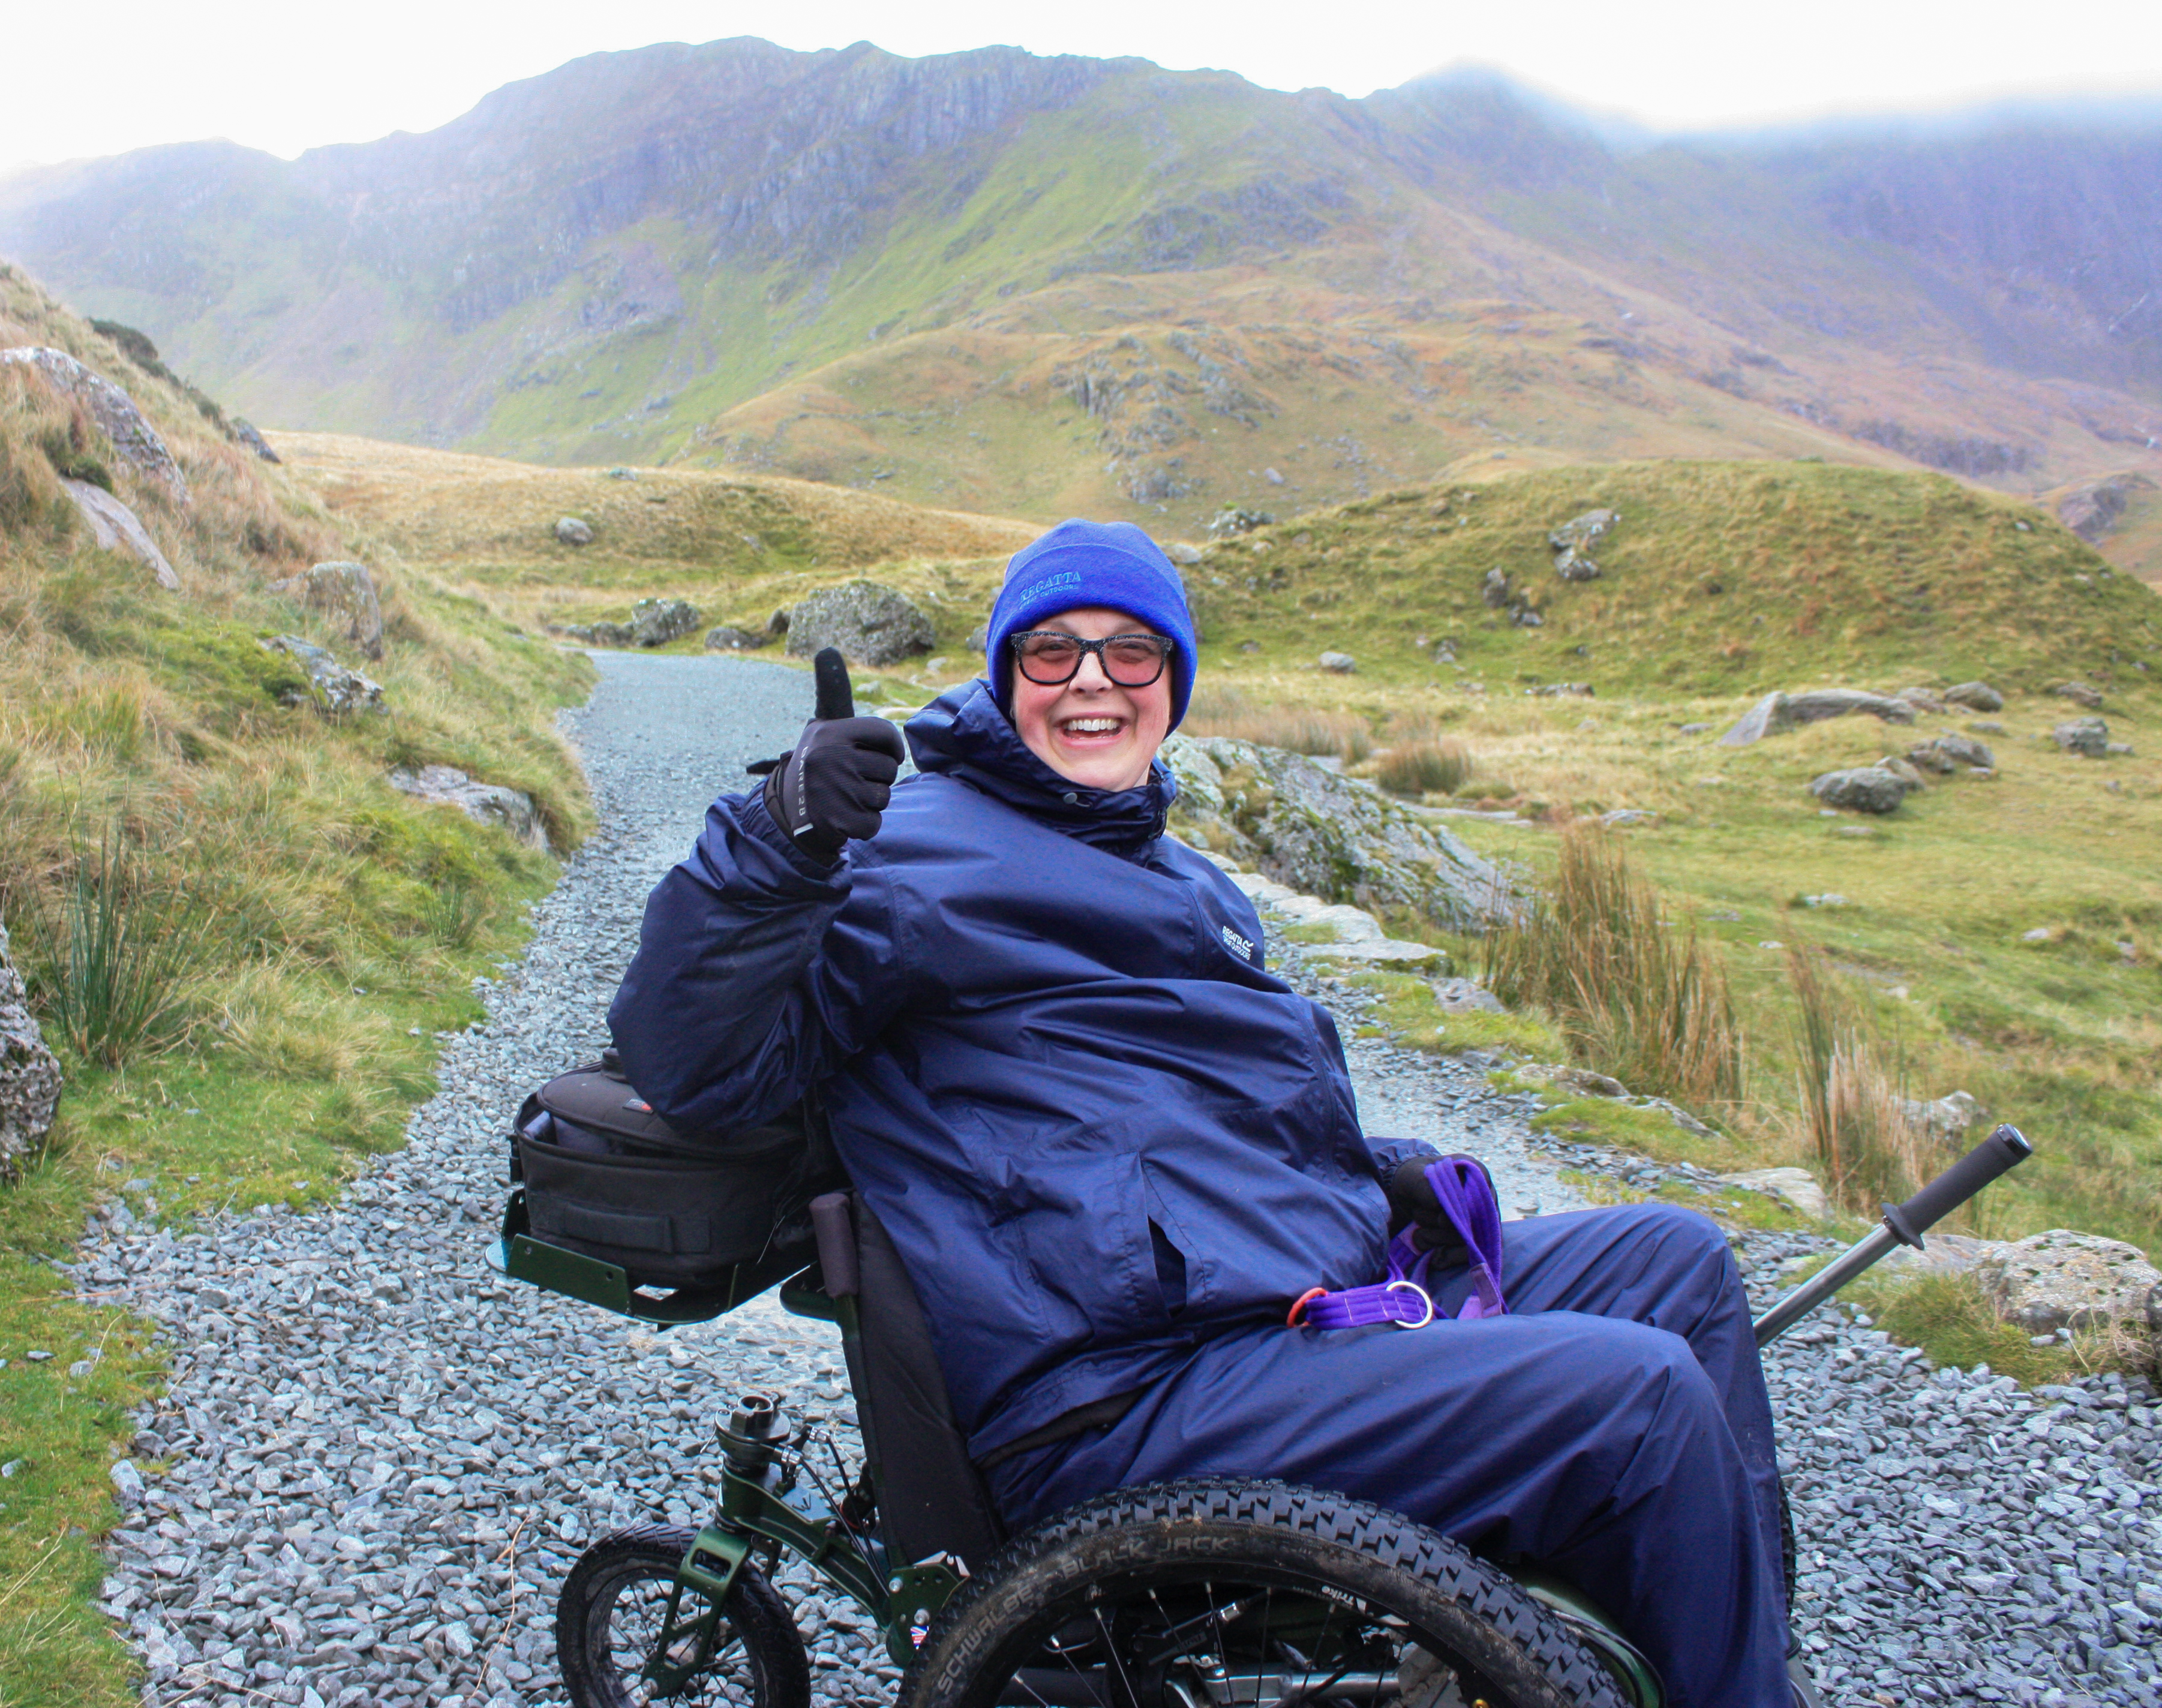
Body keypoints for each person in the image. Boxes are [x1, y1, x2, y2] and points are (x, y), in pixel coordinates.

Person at [609, 518, 1797, 1707]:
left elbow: (1212, 1109)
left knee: (1676, 1260)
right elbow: (693, 1058)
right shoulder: (908, 855)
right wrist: (779, 835)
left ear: (1172, 682)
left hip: (1277, 1298)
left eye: (1131, 652)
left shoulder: (1182, 873)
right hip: (1129, 1385)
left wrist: (1375, 1173)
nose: (1091, 680)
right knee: (1638, 1402)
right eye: (1052, 652)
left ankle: (1659, 1650)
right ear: (1001, 673)